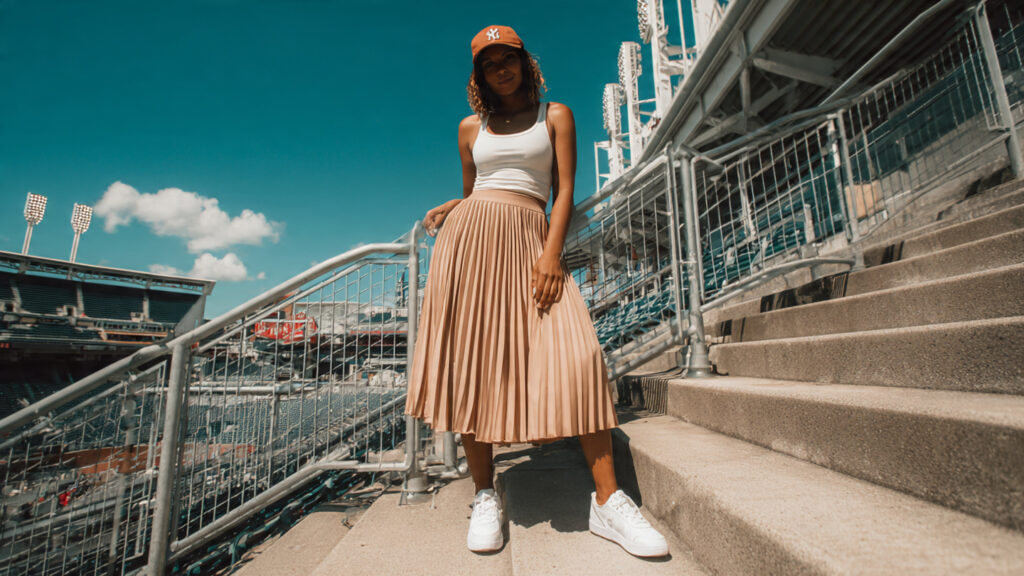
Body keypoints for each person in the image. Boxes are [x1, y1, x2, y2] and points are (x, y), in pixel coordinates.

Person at [404, 25, 668, 558]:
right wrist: (452, 207)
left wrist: (551, 253)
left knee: (579, 356)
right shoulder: (468, 129)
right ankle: (484, 494)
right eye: (489, 63)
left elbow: (562, 189)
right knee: (472, 364)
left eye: (509, 58)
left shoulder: (556, 116)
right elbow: (476, 191)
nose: (501, 68)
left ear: (526, 63)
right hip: (468, 248)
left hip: (532, 241)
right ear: (479, 75)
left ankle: (608, 501)